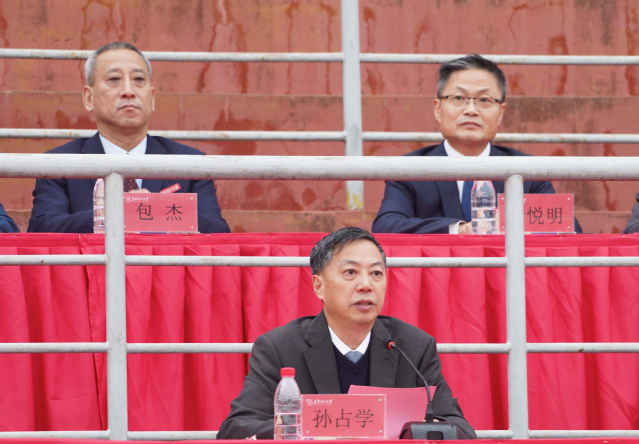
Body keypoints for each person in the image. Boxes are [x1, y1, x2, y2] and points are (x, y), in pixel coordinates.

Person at [217, 227, 476, 439]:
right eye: (350, 272)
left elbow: (461, 430)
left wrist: (413, 431)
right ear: (318, 286)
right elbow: (236, 429)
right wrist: (316, 428)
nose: (366, 285)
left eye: (376, 273)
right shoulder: (280, 347)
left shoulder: (413, 347)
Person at [27, 42, 230, 234]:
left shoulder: (190, 162)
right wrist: (116, 213)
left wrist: (155, 210)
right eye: (114, 79)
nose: (128, 91)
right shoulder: (59, 164)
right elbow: (42, 229)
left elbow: (218, 231)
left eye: (138, 80)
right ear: (89, 98)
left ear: (152, 98)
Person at [372, 54, 582, 235]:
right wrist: (461, 230)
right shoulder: (409, 171)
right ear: (438, 109)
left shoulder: (528, 171)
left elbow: (569, 227)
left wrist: (508, 224)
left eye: (484, 100)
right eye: (458, 98)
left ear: (500, 113)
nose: (471, 110)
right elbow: (386, 225)